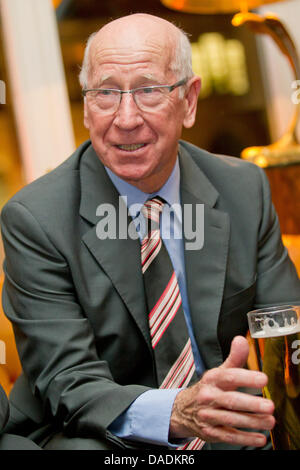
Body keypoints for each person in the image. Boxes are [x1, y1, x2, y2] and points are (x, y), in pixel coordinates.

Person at [1, 13, 300, 451]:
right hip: (105, 435)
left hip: (229, 429)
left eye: (148, 91)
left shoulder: (243, 189)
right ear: (86, 106)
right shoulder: (35, 218)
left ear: (189, 100)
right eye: (105, 93)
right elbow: (69, 383)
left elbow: (287, 330)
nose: (125, 118)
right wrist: (179, 412)